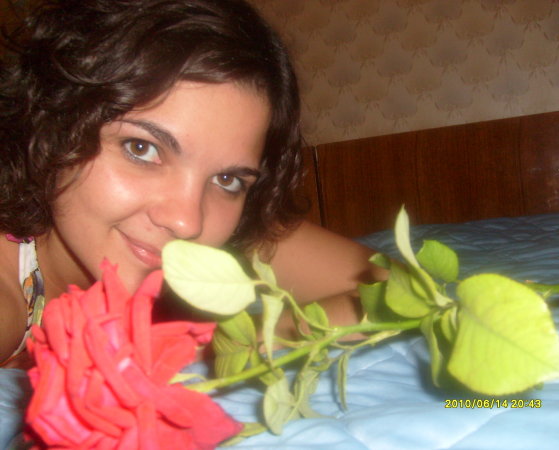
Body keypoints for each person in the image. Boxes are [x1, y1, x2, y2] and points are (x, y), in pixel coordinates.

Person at [0, 0, 384, 368]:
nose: (187, 222)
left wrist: (228, 346)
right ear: (54, 124)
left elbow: (398, 290)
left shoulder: (212, 226)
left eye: (227, 179)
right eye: (142, 148)